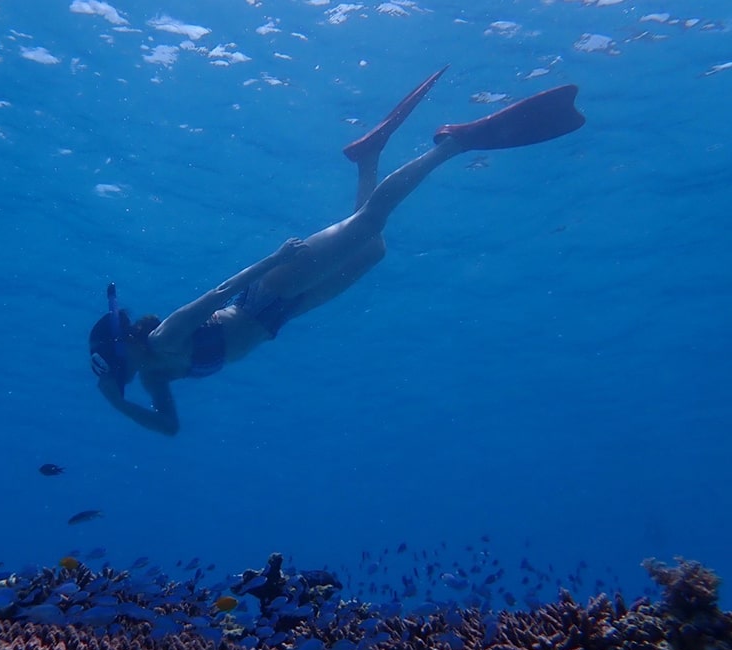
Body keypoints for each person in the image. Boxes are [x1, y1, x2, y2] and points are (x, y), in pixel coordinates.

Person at [89, 66, 585, 435]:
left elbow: (221, 292)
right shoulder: (155, 379)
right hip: (282, 315)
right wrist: (117, 406)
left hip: (268, 291)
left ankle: (450, 145)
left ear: (123, 350)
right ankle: (367, 157)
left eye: (117, 365)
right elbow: (169, 429)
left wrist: (277, 259)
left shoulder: (168, 336)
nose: (122, 371)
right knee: (373, 250)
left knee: (371, 222)